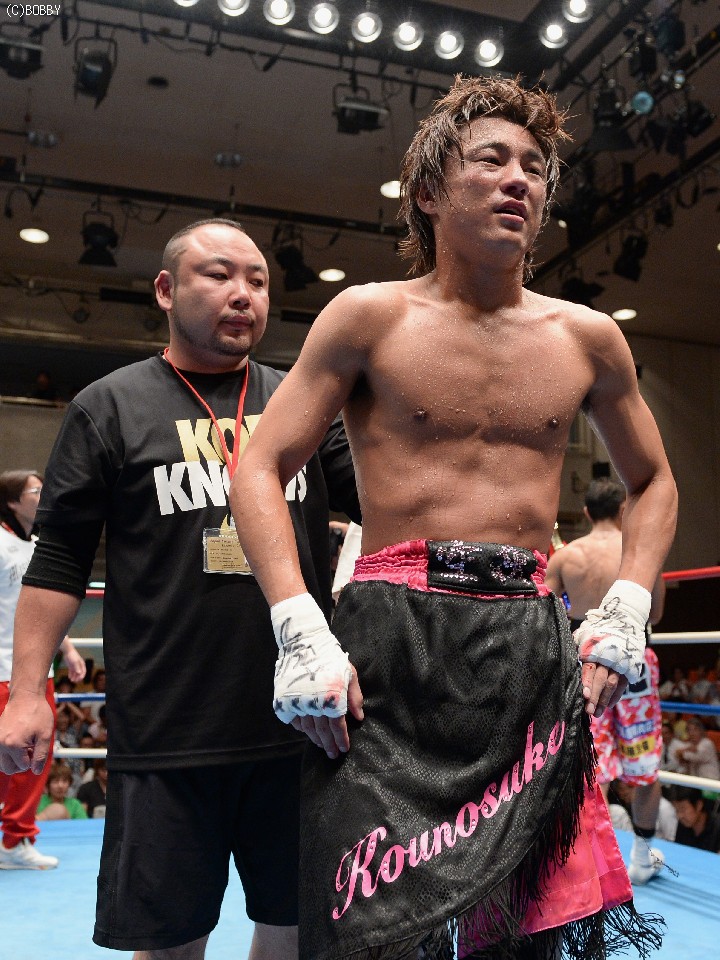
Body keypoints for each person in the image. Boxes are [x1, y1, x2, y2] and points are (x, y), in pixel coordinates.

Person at [232, 76, 677, 960]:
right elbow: (258, 464)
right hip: (391, 634)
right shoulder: (369, 316)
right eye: (492, 160)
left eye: (535, 167)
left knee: (520, 929)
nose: (519, 180)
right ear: (429, 191)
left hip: (525, 640)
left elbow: (655, 479)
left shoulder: (587, 338)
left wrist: (628, 604)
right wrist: (298, 626)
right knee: (369, 926)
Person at [0, 219, 360, 959]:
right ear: (166, 289)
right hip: (167, 728)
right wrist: (28, 690)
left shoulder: (301, 402)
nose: (243, 294)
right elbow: (60, 559)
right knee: (168, 942)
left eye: (258, 281)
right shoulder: (109, 406)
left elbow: (387, 504)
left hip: (300, 725)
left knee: (299, 929)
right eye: (219, 275)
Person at [545, 478, 668, 885]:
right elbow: (656, 612)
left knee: (591, 765)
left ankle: (592, 862)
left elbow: (547, 612)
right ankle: (642, 857)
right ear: (622, 510)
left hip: (586, 666)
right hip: (635, 667)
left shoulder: (567, 557)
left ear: (586, 513)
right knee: (644, 763)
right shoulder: (640, 556)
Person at [0, 469, 86, 871]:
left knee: (34, 758)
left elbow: (42, 607)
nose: (43, 494)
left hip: (36, 670)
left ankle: (14, 840)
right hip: (3, 669)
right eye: (35, 490)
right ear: (12, 502)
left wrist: (67, 649)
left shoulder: (38, 545)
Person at [669, 786, 720, 853]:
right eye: (677, 810)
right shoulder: (683, 823)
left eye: (682, 809)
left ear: (699, 805)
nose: (680, 815)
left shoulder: (717, 828)